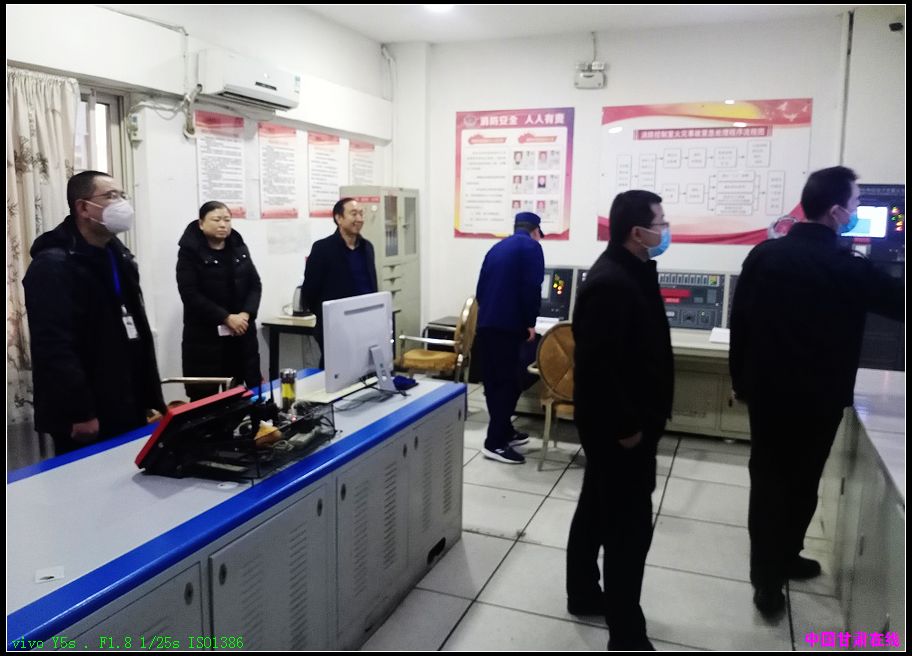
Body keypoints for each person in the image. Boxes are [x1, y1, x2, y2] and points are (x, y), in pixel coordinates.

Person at [729, 166, 904, 619]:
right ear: (836, 211)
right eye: (856, 202)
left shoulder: (764, 255)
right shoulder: (848, 266)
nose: (858, 210)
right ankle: (780, 564)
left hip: (767, 395)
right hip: (818, 399)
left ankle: (769, 574)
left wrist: (740, 382)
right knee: (803, 482)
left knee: (768, 482)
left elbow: (739, 322)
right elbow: (898, 302)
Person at [566, 190, 673, 651]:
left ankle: (583, 592)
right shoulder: (612, 282)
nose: (665, 230)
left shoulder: (633, 270)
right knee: (628, 531)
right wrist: (628, 427)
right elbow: (599, 369)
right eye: (660, 222)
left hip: (624, 424)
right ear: (637, 232)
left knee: (595, 507)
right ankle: (626, 634)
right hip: (620, 430)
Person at [23, 170, 165, 455]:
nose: (121, 203)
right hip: (86, 411)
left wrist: (150, 397)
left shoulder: (118, 256)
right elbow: (54, 347)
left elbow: (134, 325)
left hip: (127, 397)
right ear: (83, 207)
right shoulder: (53, 264)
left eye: (122, 195)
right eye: (111, 196)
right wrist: (80, 411)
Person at [474, 211, 545, 464]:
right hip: (508, 326)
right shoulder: (532, 248)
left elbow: (480, 290)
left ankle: (504, 430)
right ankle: (494, 443)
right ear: (535, 231)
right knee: (509, 383)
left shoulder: (497, 248)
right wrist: (530, 323)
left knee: (494, 381)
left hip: (487, 324)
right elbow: (532, 288)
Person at [176, 201, 263, 400]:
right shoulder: (189, 252)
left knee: (239, 395)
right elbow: (190, 294)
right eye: (216, 220)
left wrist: (245, 314)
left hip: (240, 334)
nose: (223, 224)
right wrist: (226, 318)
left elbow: (255, 284)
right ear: (201, 223)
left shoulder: (238, 247)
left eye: (227, 220)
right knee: (205, 401)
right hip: (205, 339)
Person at [303, 198, 378, 367]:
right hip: (336, 326)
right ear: (339, 218)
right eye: (353, 214)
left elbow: (372, 284)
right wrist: (328, 315)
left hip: (364, 324)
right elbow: (309, 291)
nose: (359, 219)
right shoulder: (323, 248)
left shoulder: (367, 247)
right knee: (335, 371)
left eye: (361, 214)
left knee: (364, 369)